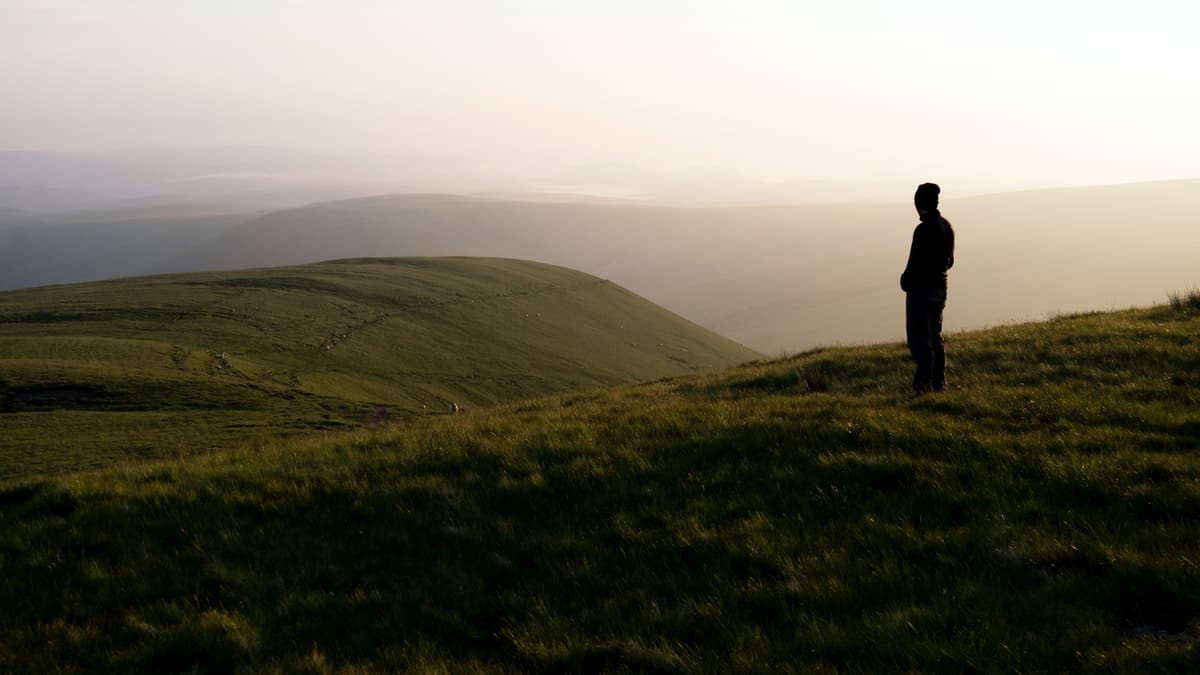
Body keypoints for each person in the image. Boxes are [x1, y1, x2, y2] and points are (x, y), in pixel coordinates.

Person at [900, 182, 955, 393]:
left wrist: (905, 280)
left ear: (918, 204)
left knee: (919, 337)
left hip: (920, 291)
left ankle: (923, 384)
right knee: (935, 335)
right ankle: (938, 382)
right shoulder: (947, 226)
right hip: (940, 288)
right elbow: (950, 262)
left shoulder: (923, 230)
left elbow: (914, 263)